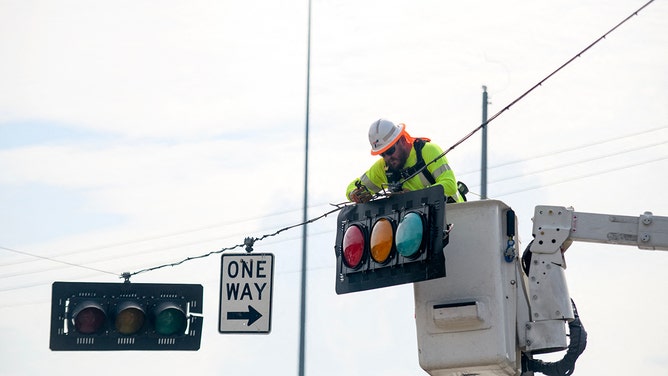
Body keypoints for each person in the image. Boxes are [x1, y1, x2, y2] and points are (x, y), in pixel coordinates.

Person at [346, 118, 464, 204]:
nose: (388, 157)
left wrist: (413, 196)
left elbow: (449, 186)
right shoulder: (384, 167)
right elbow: (352, 186)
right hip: (417, 228)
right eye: (382, 154)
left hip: (453, 215)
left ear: (402, 140)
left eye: (391, 150)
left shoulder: (428, 151)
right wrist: (354, 194)